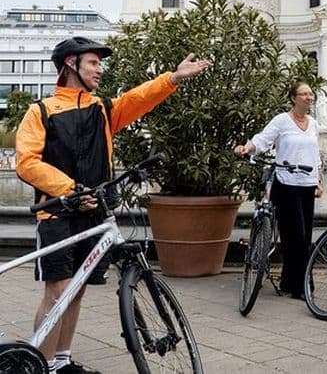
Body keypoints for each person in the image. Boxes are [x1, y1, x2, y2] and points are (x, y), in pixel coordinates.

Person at [16, 36, 210, 374]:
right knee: (58, 290)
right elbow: (27, 163)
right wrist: (70, 188)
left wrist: (173, 78)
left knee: (76, 289)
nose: (100, 69)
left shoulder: (103, 109)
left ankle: (61, 361)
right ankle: (41, 365)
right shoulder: (41, 111)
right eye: (93, 62)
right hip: (57, 213)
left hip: (95, 213)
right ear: (70, 65)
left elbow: (139, 98)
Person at [234, 82, 323, 300]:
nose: (309, 97)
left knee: (304, 235)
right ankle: (302, 285)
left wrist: (318, 180)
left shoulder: (313, 124)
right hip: (286, 182)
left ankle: (289, 282)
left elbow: (316, 154)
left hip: (307, 183)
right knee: (296, 236)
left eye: (310, 94)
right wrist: (247, 148)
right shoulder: (282, 121)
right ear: (293, 98)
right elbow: (263, 139)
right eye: (304, 94)